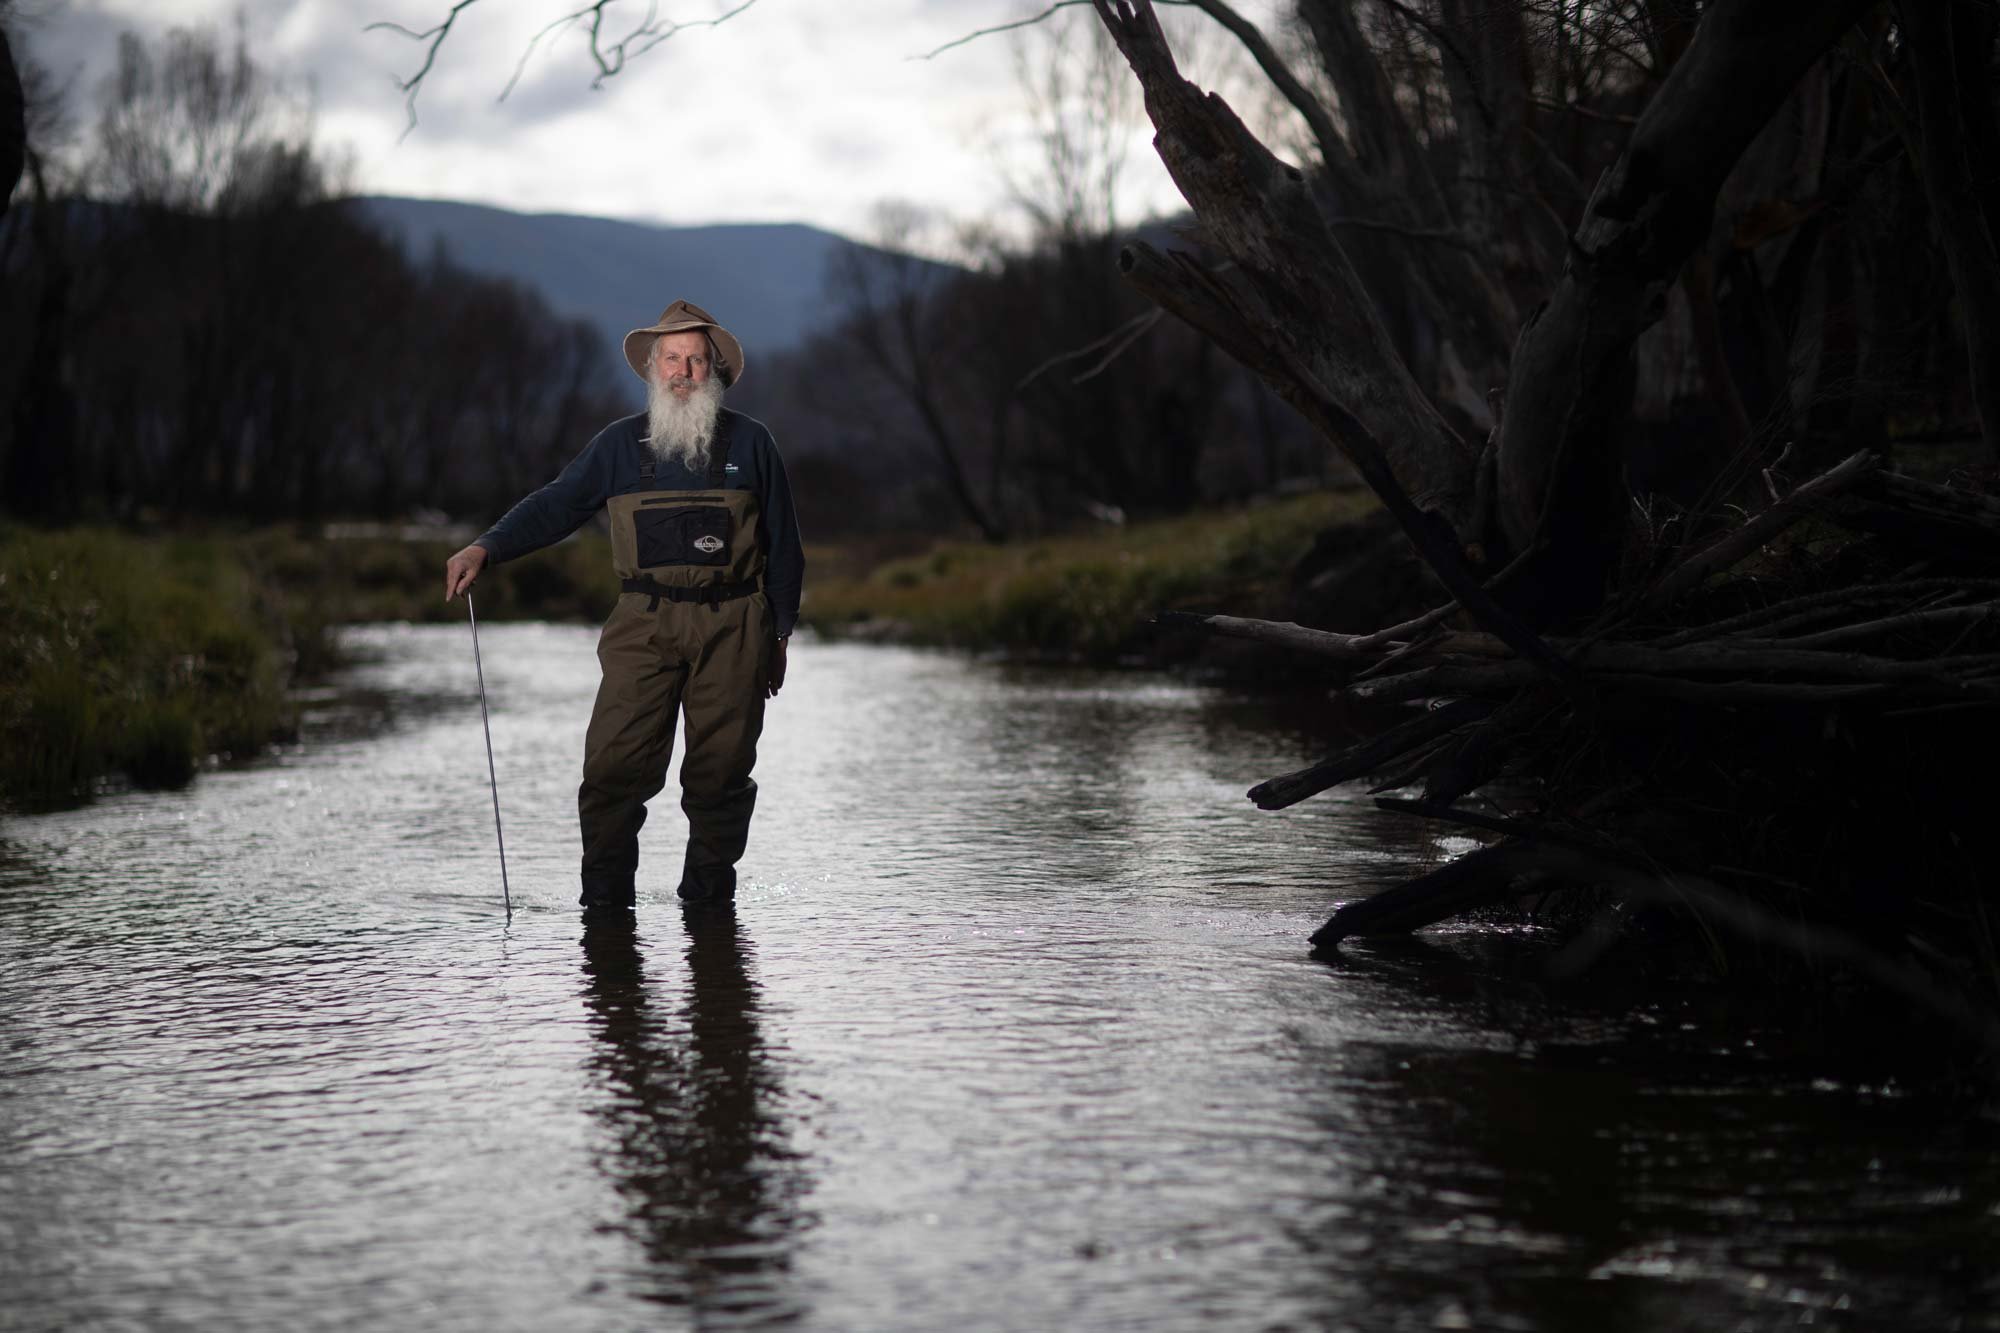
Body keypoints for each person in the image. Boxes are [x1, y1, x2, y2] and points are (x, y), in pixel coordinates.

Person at [443, 300, 804, 916]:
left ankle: (708, 911)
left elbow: (785, 547)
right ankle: (605, 912)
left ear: (713, 368)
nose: (683, 370)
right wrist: (487, 546)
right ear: (652, 368)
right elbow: (556, 505)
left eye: (696, 358)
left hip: (737, 626)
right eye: (672, 358)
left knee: (720, 779)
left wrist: (778, 637)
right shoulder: (617, 445)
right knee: (612, 771)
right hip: (643, 623)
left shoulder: (753, 442)